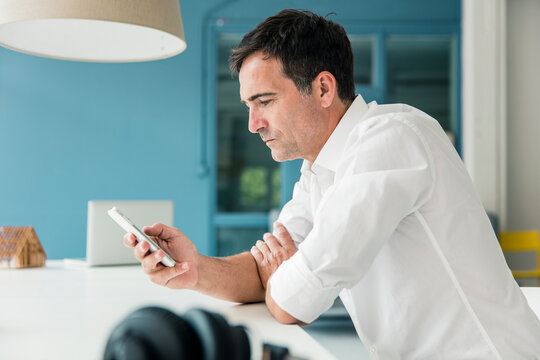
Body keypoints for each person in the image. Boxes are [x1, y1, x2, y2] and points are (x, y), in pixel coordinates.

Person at [124, 9, 540, 359]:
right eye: (249, 107)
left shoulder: (392, 137)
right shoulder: (317, 172)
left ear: (323, 88)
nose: (253, 124)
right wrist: (193, 268)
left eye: (264, 102)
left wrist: (282, 279)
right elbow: (264, 270)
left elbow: (294, 300)